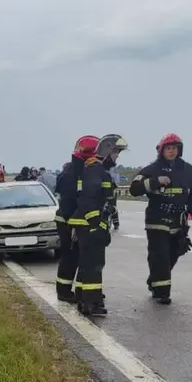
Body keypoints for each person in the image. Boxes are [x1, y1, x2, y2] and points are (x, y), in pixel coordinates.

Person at [128, 133, 192, 304]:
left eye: (174, 148)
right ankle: (162, 293)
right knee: (159, 255)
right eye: (168, 148)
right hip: (157, 219)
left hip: (178, 220)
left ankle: (154, 280)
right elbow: (134, 189)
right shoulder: (151, 169)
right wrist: (155, 182)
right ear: (162, 150)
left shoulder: (188, 170)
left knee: (174, 253)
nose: (171, 151)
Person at [70, 133, 128, 316]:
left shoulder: (97, 169)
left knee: (87, 263)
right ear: (107, 150)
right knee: (94, 265)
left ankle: (83, 298)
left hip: (87, 223)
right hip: (90, 224)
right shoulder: (96, 170)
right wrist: (96, 225)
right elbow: (90, 200)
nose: (117, 157)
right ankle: (91, 304)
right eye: (116, 152)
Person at [54, 135, 99, 303]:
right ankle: (64, 292)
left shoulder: (80, 170)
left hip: (74, 220)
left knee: (82, 257)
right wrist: (72, 224)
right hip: (68, 220)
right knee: (71, 257)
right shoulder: (73, 173)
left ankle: (83, 292)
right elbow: (70, 201)